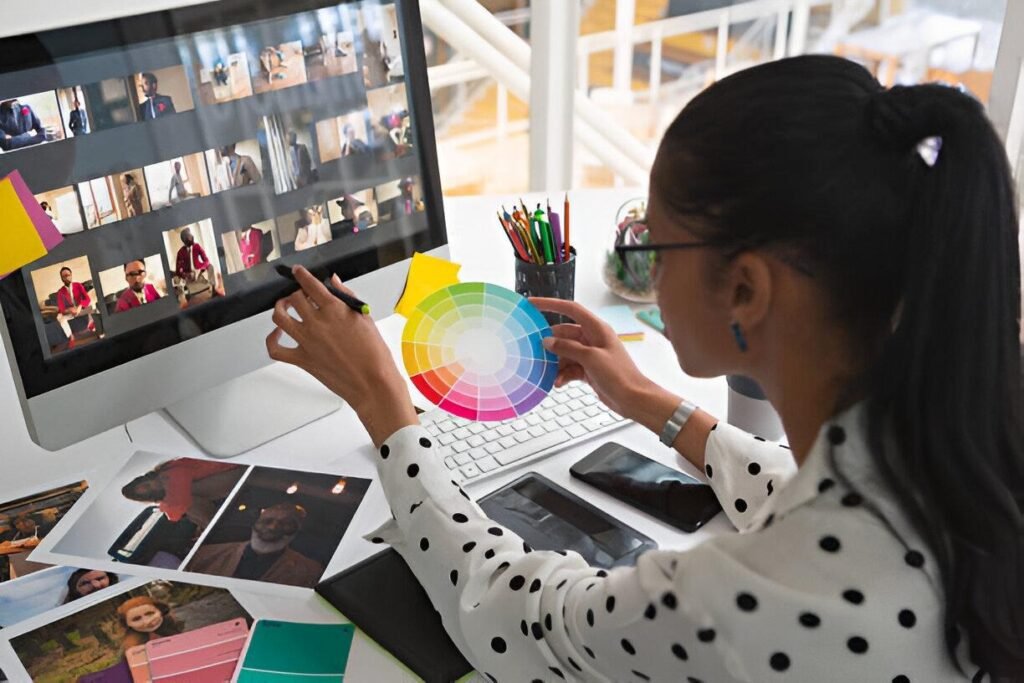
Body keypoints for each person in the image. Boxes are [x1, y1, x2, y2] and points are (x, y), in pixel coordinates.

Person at [266, 55, 1024, 682]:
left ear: (746, 288)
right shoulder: (960, 450)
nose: (645, 274)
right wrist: (649, 403)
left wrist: (387, 409)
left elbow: (511, 616)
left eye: (653, 249)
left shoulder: (745, 603)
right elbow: (800, 494)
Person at [186, 503, 324, 587]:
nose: (273, 526)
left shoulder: (310, 572)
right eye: (268, 520)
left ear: (296, 531)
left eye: (286, 523)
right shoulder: (206, 555)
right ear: (255, 522)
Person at [121, 458, 240, 530]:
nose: (153, 486)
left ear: (145, 478)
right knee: (188, 507)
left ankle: (220, 529)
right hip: (227, 478)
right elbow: (175, 514)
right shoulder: (168, 487)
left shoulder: (168, 473)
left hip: (236, 469)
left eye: (147, 484)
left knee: (188, 501)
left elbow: (175, 514)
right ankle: (217, 530)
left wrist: (165, 507)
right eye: (149, 490)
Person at [117, 596, 182, 650]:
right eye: (136, 619)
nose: (147, 621)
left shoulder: (177, 622)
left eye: (150, 613)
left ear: (160, 611)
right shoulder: (130, 646)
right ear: (127, 624)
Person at [54, 266, 96, 343]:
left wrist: (80, 306)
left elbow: (87, 299)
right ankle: (70, 337)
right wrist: (69, 310)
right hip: (70, 313)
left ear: (71, 275)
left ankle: (91, 324)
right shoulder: (60, 292)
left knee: (93, 304)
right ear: (61, 278)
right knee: (59, 317)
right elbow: (61, 308)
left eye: (68, 275)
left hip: (81, 310)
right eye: (64, 276)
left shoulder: (78, 285)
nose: (67, 277)